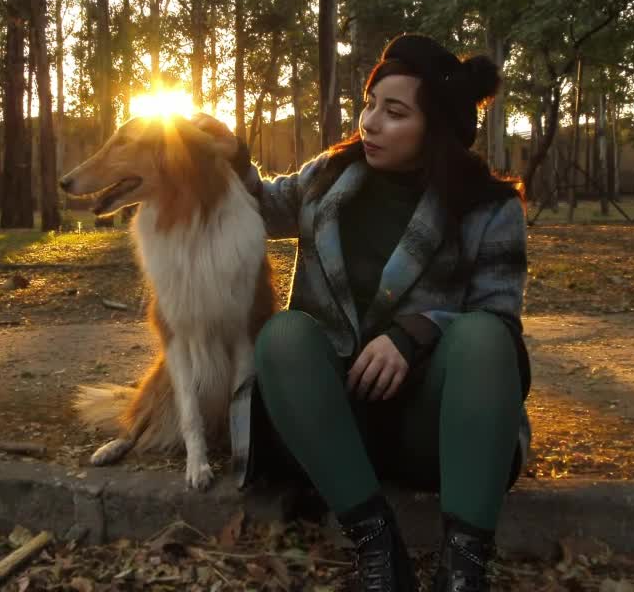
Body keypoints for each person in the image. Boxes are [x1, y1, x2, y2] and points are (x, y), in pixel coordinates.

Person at [199, 32, 530, 592]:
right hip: (331, 424)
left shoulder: (488, 207)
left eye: (394, 112)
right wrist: (235, 156)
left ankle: (465, 565)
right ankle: (377, 546)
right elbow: (264, 206)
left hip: (436, 431)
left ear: (436, 127)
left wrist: (415, 333)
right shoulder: (331, 175)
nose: (370, 122)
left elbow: (500, 321)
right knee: (282, 336)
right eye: (369, 105)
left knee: (484, 339)